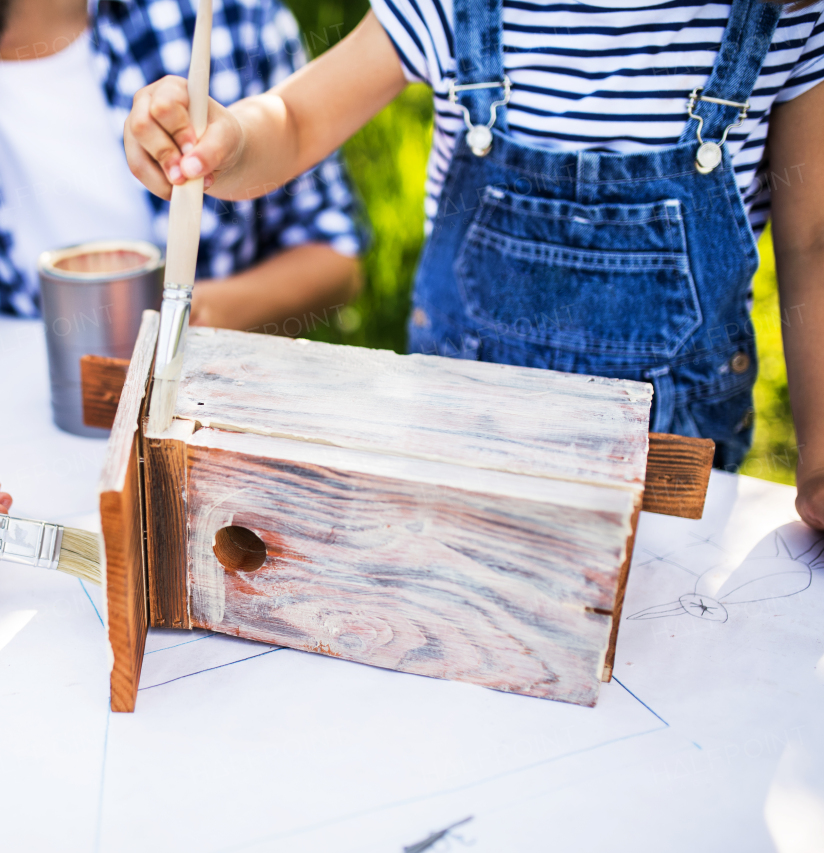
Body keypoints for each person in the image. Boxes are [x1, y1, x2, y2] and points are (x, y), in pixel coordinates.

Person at [125, 0, 824, 528]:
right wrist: (233, 138)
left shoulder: (783, 19)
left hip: (667, 485)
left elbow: (812, 242)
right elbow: (297, 120)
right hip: (456, 462)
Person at [0, 0, 365, 572]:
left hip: (213, 448)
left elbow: (335, 258)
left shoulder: (219, 17)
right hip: (24, 456)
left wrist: (190, 324)